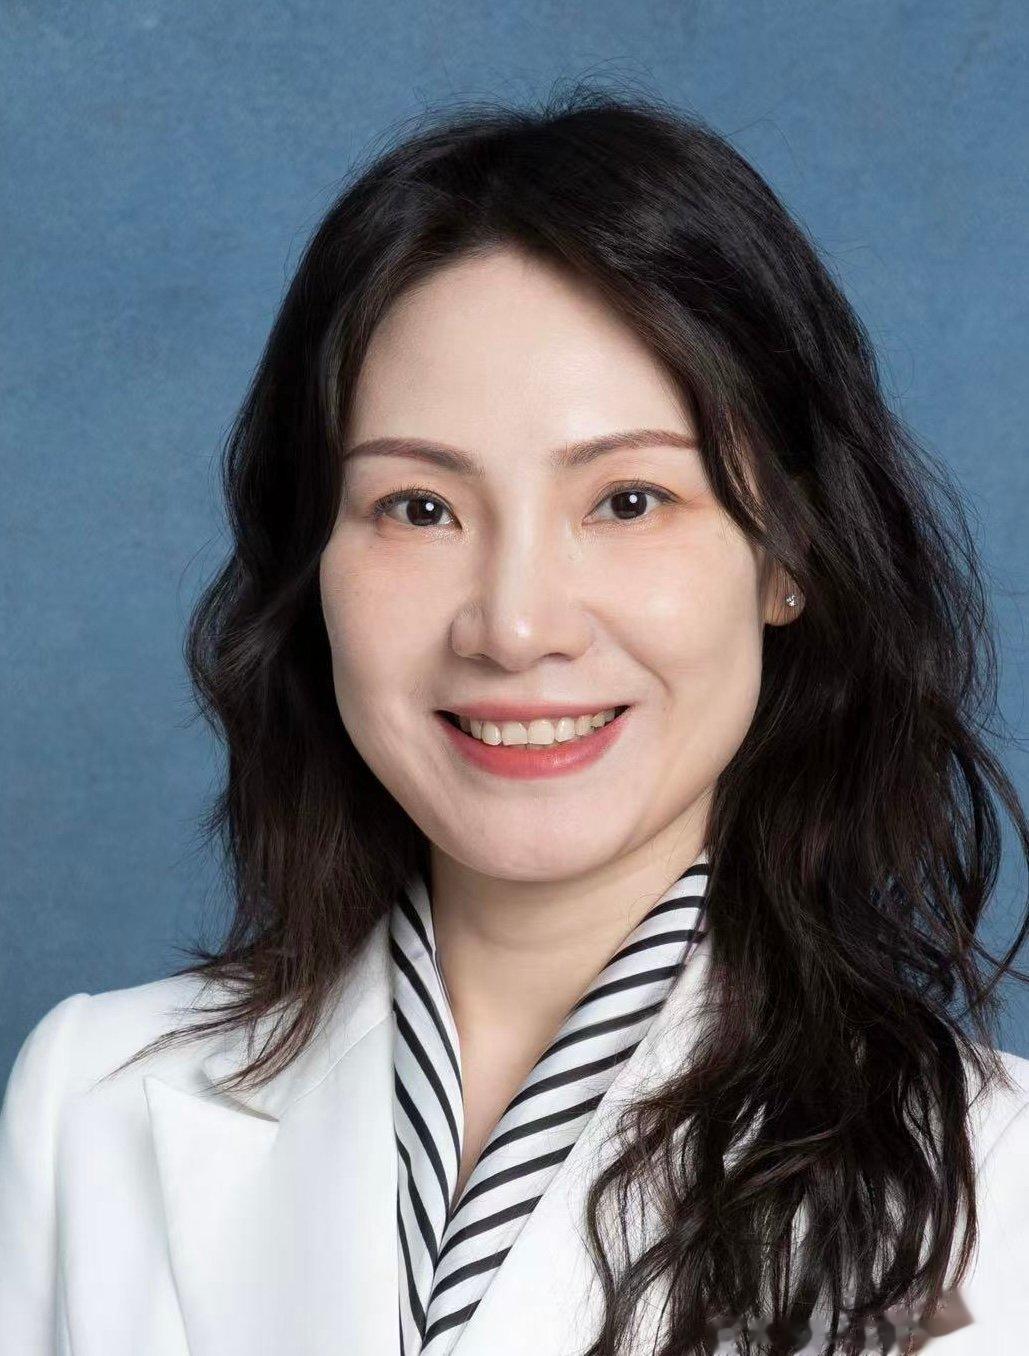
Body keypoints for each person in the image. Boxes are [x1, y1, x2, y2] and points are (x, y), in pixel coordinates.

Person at [1, 85, 1027, 1356]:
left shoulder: (999, 1185)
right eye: (419, 508)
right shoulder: (92, 1103)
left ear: (788, 556)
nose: (515, 624)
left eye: (630, 500)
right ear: (311, 563)